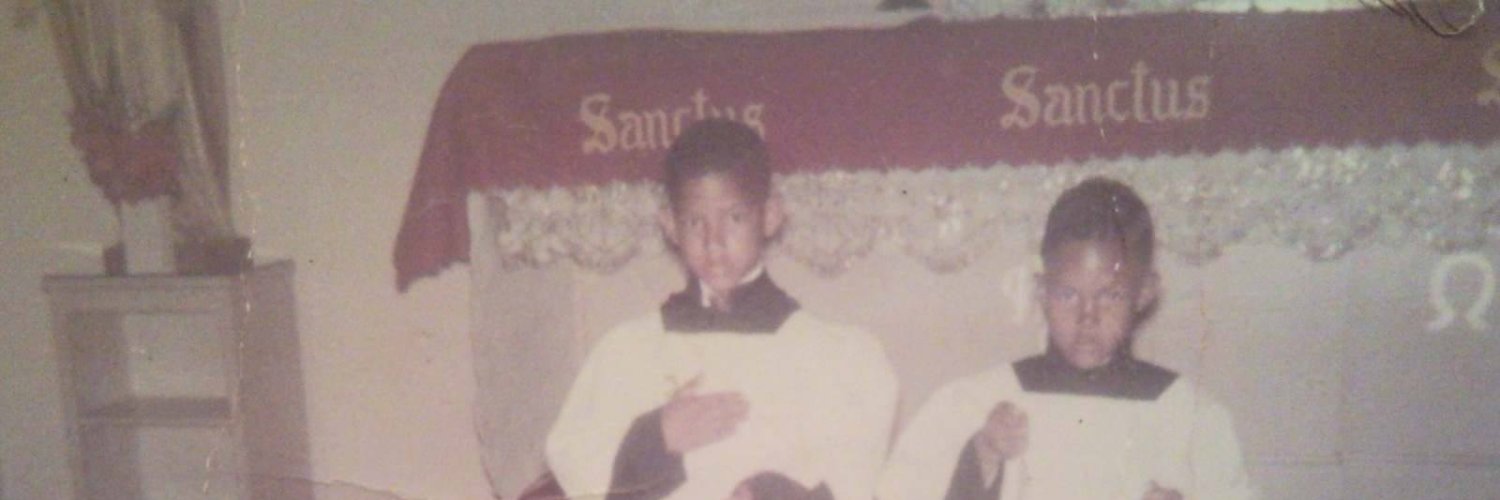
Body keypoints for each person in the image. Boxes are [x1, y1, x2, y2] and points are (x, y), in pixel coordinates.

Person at [546, 119, 898, 500]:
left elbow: (850, 479)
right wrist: (655, 438)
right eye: (695, 221)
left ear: (770, 215)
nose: (714, 241)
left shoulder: (833, 356)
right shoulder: (628, 352)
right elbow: (582, 471)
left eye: (734, 218)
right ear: (670, 225)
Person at [877, 177, 1256, 500]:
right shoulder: (975, 403)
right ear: (1042, 291)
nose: (1087, 317)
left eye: (1110, 296)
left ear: (1144, 293)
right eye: (1068, 295)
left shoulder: (1191, 417)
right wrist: (982, 457)